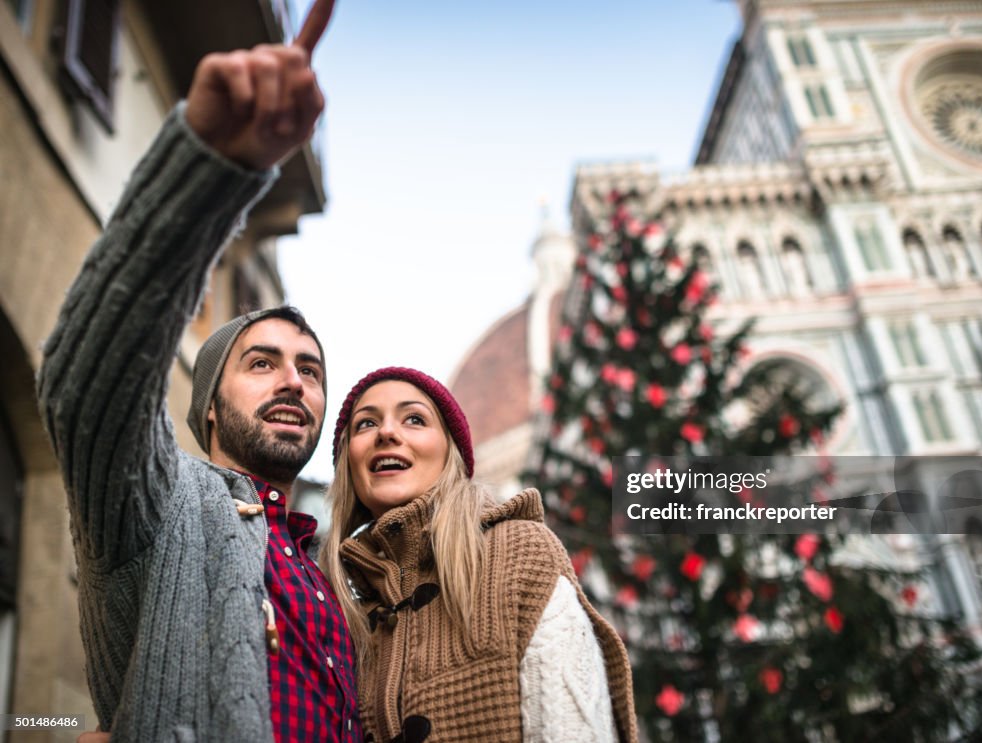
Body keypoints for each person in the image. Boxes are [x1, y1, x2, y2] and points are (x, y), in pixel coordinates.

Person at [36, 1, 362, 740]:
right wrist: (211, 167)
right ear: (208, 408)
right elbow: (86, 386)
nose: (294, 382)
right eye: (262, 362)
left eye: (310, 369)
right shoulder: (160, 506)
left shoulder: (332, 579)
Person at [320, 367, 639, 742]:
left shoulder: (522, 553)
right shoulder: (338, 607)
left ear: (449, 453)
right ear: (349, 464)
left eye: (414, 419)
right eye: (365, 424)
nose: (387, 432)